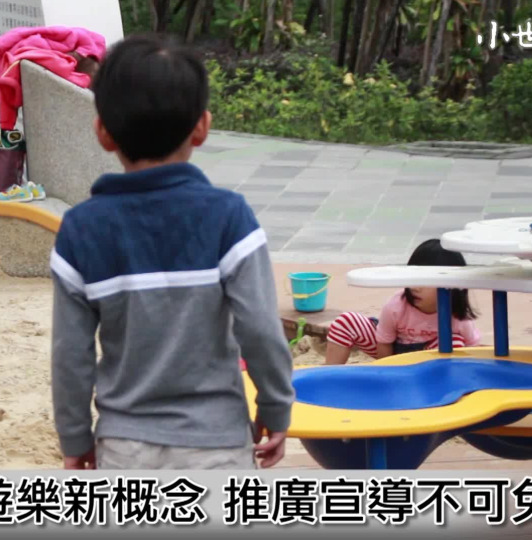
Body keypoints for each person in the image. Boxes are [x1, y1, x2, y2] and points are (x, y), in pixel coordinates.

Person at [49, 35, 295, 471]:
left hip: (124, 446)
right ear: (202, 126)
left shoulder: (81, 229)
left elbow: (71, 353)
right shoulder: (229, 217)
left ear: (103, 132)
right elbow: (260, 328)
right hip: (217, 444)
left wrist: (75, 437)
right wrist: (275, 408)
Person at [325, 239, 481, 365]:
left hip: (426, 362)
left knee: (454, 342)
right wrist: (388, 372)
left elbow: (473, 351)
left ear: (451, 286)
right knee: (346, 321)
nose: (415, 287)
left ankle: (440, 384)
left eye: (425, 281)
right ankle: (328, 375)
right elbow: (383, 343)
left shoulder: (458, 318)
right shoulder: (396, 306)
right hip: (393, 352)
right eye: (413, 277)